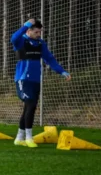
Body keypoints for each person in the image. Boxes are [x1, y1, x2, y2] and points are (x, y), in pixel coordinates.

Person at [11, 19, 70, 147]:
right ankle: (28, 138)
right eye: (36, 32)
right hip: (23, 79)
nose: (39, 34)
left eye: (40, 32)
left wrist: (61, 71)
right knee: (30, 105)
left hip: (35, 80)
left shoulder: (40, 43)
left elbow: (49, 59)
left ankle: (19, 138)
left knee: (29, 107)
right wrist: (25, 24)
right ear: (29, 31)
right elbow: (13, 38)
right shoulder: (21, 41)